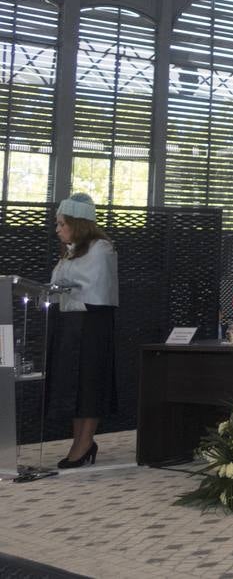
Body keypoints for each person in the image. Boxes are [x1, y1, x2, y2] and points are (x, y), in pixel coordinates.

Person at [47, 193, 119, 469]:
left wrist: (66, 287)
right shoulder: (72, 250)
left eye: (61, 223)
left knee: (89, 382)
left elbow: (95, 288)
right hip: (71, 322)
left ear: (77, 223)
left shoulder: (101, 248)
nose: (58, 229)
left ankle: (86, 441)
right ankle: (79, 440)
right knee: (74, 384)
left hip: (93, 324)